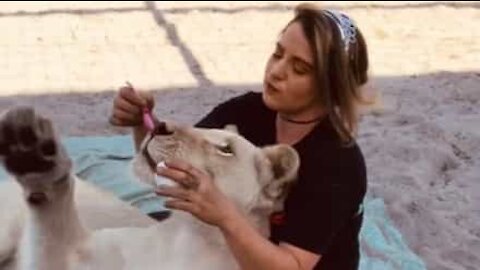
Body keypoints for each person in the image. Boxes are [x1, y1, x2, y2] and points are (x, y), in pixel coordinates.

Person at [110, 3, 369, 270]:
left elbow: (291, 266)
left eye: (299, 69)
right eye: (278, 54)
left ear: (331, 88)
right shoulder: (245, 111)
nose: (277, 71)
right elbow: (176, 168)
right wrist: (142, 124)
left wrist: (225, 216)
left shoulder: (338, 166)